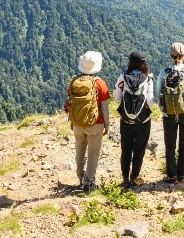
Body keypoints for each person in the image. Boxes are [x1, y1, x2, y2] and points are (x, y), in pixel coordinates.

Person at [155, 42, 184, 184]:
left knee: (170, 145)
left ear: (170, 56)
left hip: (168, 113)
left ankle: (171, 176)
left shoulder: (164, 72)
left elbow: (157, 93)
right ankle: (181, 175)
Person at [66, 51, 110, 193]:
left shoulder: (75, 82)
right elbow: (105, 106)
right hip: (95, 124)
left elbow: (70, 103)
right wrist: (107, 124)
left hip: (78, 123)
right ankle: (89, 183)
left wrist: (73, 121)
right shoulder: (100, 84)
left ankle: (80, 177)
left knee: (79, 151)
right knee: (93, 153)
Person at [113, 51, 155, 187]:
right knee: (139, 150)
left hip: (126, 121)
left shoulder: (123, 77)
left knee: (126, 150)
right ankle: (134, 177)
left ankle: (125, 178)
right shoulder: (148, 79)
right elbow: (150, 102)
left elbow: (116, 98)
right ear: (144, 64)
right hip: (143, 121)